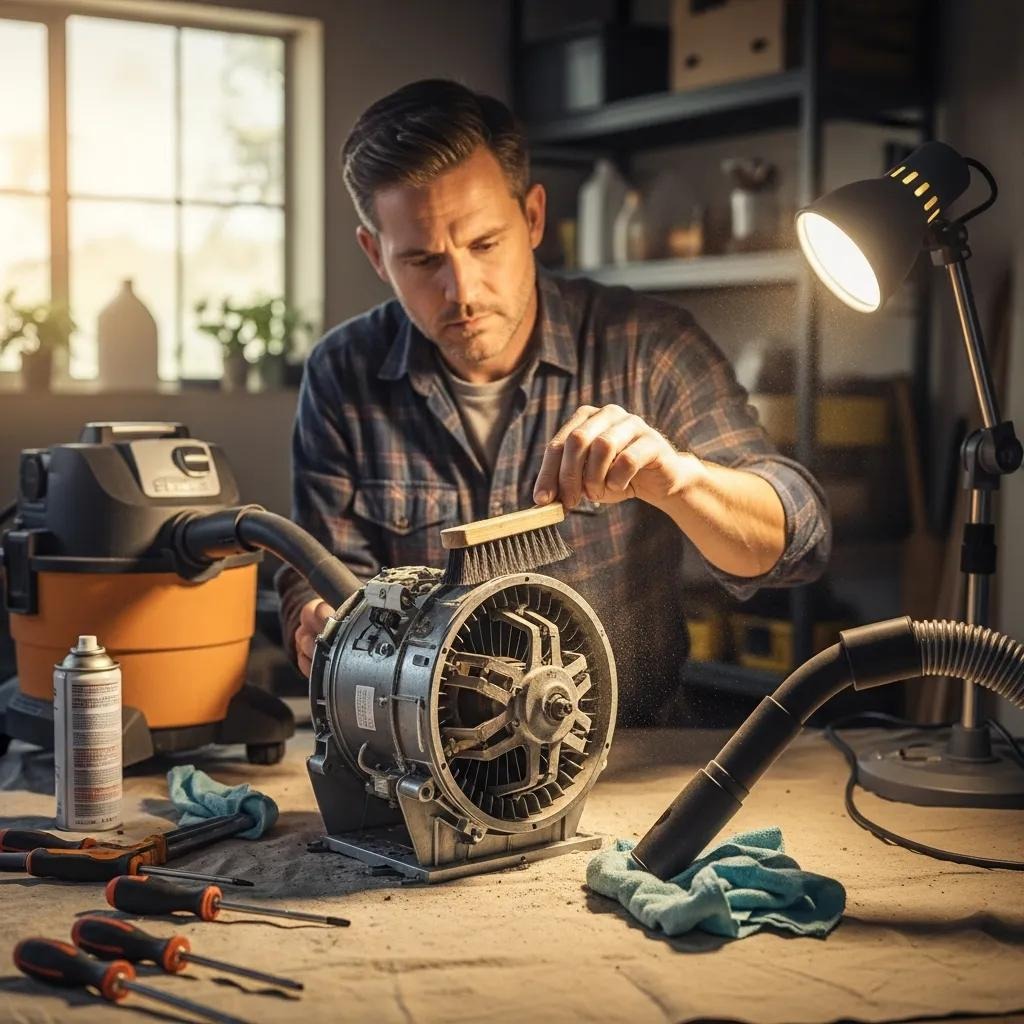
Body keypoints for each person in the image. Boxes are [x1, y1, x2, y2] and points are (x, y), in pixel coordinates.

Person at [276, 78, 831, 725]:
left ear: (533, 217)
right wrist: (314, 620)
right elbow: (319, 570)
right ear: (376, 254)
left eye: (484, 244)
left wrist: (681, 481)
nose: (462, 289)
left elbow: (796, 541)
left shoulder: (649, 345)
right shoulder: (345, 372)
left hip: (626, 749)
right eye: (424, 260)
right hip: (428, 759)